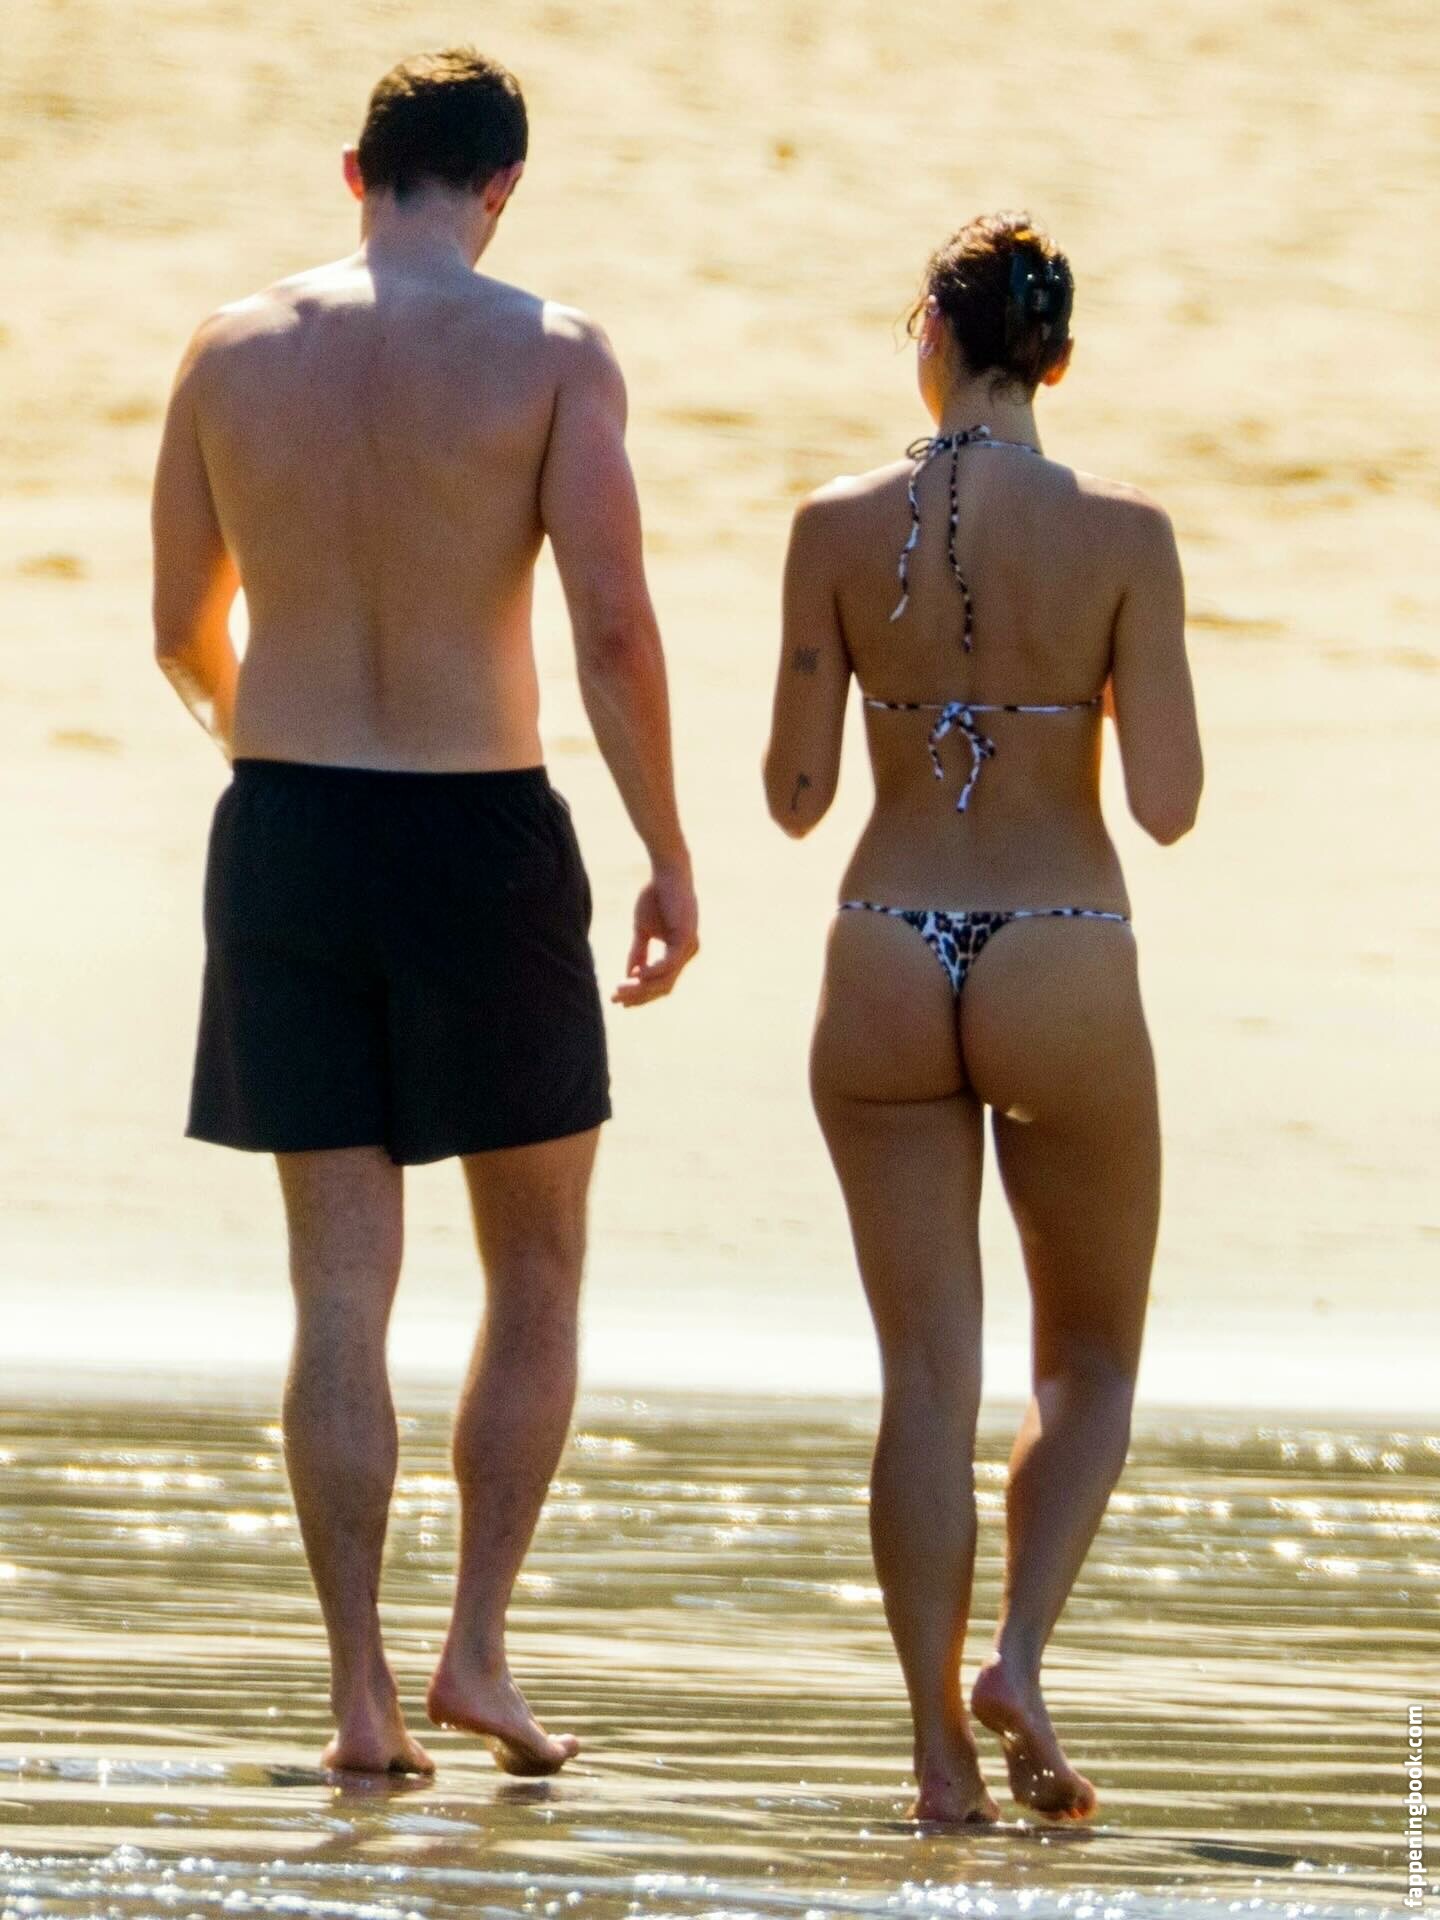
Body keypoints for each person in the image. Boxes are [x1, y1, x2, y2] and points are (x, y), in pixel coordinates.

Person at [151, 47, 698, 1780]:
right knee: (535, 1263)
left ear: (354, 171)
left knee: (338, 1289)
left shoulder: (228, 350)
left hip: (288, 829)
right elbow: (612, 629)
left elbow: (179, 628)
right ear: (503, 187)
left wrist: (270, 754)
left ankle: (359, 1697)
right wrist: (669, 851)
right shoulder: (552, 351)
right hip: (478, 834)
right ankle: (476, 1648)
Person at [764, 214, 1201, 1824]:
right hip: (1059, 943)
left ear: (928, 339)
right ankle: (1015, 1655)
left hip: (887, 941)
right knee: (1087, 1360)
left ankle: (937, 1756)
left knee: (925, 1381)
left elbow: (795, 795)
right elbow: (1168, 804)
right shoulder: (1128, 535)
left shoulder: (831, 524)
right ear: (1059, 362)